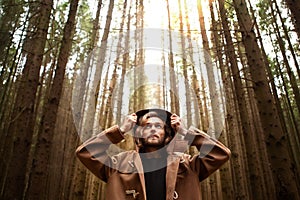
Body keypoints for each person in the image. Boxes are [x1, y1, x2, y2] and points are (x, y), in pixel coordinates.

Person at [76, 108, 231, 200]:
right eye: (147, 126)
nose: (152, 129)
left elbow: (220, 154)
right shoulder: (118, 164)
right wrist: (120, 130)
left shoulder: (187, 164)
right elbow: (85, 152)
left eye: (158, 126)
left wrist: (186, 133)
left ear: (167, 133)